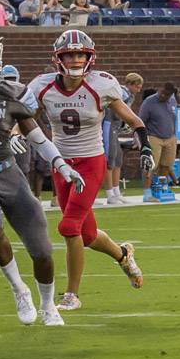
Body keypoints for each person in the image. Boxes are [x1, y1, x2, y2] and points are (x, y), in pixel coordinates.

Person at [21, 29, 149, 311]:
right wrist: (15, 135)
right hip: (60, 164)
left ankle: (71, 294)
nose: (76, 59)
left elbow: (132, 118)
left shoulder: (101, 84)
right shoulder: (43, 86)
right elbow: (28, 118)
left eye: (80, 53)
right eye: (70, 54)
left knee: (68, 227)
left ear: (89, 57)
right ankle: (123, 254)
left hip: (91, 162)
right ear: (58, 57)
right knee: (87, 235)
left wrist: (146, 145)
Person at [0, 30, 67, 326]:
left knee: (42, 249)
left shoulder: (11, 92)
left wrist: (60, 163)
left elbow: (36, 134)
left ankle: (48, 304)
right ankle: (19, 289)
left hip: (8, 172)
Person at [102, 72, 141, 206]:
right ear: (130, 84)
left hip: (115, 127)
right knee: (110, 159)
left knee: (118, 159)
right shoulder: (122, 93)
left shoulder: (130, 95)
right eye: (137, 86)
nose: (139, 89)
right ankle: (109, 194)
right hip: (109, 124)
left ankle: (116, 192)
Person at [138, 81, 179, 197]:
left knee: (167, 165)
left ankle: (161, 188)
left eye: (166, 94)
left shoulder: (173, 101)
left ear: (171, 95)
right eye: (161, 92)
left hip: (170, 137)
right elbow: (141, 121)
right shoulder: (149, 102)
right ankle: (147, 193)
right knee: (150, 165)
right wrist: (141, 139)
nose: (162, 96)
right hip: (154, 136)